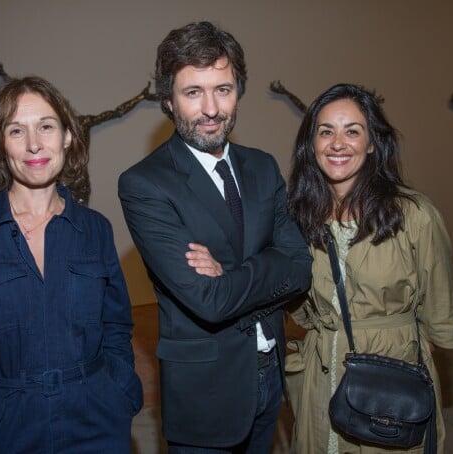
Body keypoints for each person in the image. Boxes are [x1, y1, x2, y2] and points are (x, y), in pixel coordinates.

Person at [118, 21, 312, 453]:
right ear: (168, 100)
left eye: (223, 89)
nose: (211, 108)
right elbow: (209, 300)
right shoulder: (145, 185)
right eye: (193, 93)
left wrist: (230, 273)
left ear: (238, 91)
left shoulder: (262, 167)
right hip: (206, 392)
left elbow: (301, 268)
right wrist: (265, 267)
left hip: (270, 375)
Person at [0, 76, 142, 453]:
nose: (34, 144)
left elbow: (116, 325)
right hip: (6, 425)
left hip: (98, 419)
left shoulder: (95, 229)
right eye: (16, 130)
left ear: (67, 137)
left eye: (46, 126)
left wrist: (120, 390)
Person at [285, 83, 453, 453]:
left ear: (372, 144)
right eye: (326, 131)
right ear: (311, 144)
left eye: (352, 131)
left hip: (387, 380)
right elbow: (301, 305)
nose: (338, 143)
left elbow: (438, 313)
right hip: (320, 375)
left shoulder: (414, 215)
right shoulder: (301, 217)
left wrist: (401, 359)